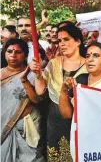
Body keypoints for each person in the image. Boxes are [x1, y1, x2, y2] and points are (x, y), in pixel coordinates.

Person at [29, 25, 87, 161]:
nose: (62, 44)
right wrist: (37, 74)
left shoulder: (89, 66)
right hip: (54, 120)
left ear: (78, 41)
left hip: (78, 121)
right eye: (60, 41)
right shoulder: (54, 63)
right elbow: (41, 90)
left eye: (66, 39)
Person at [1, 38, 44, 162]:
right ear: (5, 54)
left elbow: (36, 100)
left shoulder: (33, 74)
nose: (13, 55)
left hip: (26, 126)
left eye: (18, 52)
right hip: (2, 125)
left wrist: (24, 78)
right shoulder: (0, 73)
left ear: (25, 55)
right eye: (9, 51)